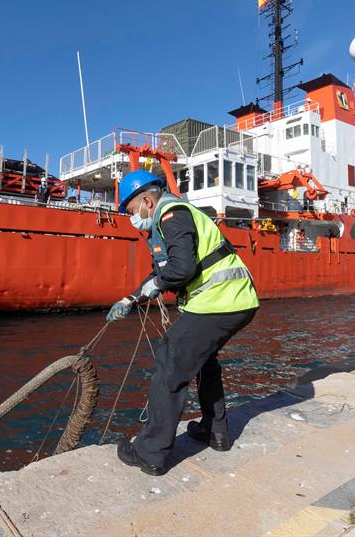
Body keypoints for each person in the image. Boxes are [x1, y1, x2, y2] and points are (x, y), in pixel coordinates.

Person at [107, 170, 260, 475]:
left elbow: (182, 268)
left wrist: (158, 285)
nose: (131, 219)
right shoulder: (167, 221)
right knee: (205, 362)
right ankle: (215, 432)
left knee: (169, 360)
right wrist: (130, 299)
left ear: (147, 201)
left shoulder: (171, 215)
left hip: (220, 301)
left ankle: (150, 452)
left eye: (131, 211)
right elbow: (161, 272)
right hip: (234, 300)